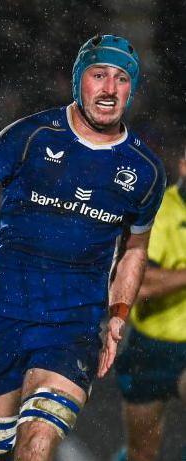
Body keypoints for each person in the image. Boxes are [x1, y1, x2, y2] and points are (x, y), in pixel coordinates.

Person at [0, 34, 166, 461]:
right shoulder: (31, 135)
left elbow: (135, 249)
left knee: (37, 443)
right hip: (4, 321)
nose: (110, 89)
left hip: (72, 329)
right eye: (98, 75)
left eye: (121, 79)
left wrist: (118, 313)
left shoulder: (145, 170)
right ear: (79, 81)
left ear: (132, 88)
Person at [113, 148, 186, 461]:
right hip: (149, 348)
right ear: (183, 165)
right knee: (141, 453)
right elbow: (138, 286)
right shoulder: (160, 210)